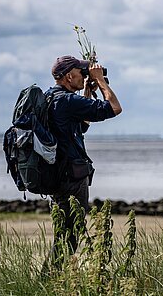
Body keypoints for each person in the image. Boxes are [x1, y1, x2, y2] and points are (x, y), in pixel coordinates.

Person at [44, 55, 122, 264]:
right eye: (81, 73)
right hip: (70, 179)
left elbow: (81, 125)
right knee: (68, 238)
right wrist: (102, 81)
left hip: (57, 177)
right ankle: (48, 283)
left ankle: (51, 282)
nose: (84, 76)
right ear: (69, 76)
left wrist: (87, 91)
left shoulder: (51, 97)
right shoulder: (67, 101)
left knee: (64, 235)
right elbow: (114, 108)